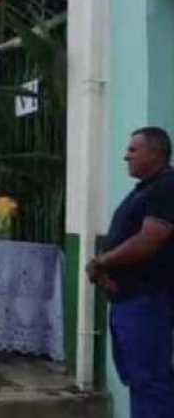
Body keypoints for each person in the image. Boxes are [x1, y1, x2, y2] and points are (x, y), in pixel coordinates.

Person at [86, 126, 174, 418]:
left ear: (155, 152)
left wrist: (103, 262)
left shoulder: (167, 186)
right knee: (139, 379)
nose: (126, 156)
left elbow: (151, 239)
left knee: (150, 381)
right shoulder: (145, 189)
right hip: (129, 300)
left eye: (133, 150)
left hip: (148, 302)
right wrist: (105, 271)